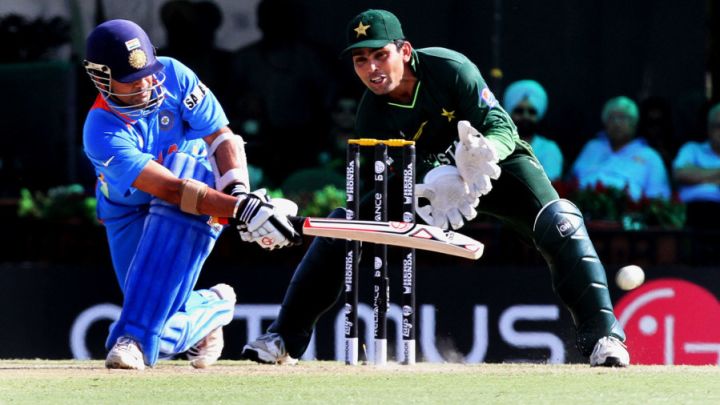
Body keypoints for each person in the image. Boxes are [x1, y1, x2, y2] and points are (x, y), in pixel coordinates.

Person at [241, 9, 629, 367]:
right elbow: (390, 178)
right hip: (431, 189)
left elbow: (502, 125)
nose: (372, 69)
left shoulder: (449, 68)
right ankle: (283, 338)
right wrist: (435, 182)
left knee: (560, 221)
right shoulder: (372, 116)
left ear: (405, 51)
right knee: (345, 227)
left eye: (380, 55)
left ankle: (604, 339)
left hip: (496, 170)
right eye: (361, 60)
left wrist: (485, 153)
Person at [82, 19, 299, 370]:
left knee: (184, 166)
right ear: (102, 78)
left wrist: (240, 195)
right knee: (155, 311)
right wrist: (240, 210)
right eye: (132, 80)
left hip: (195, 189)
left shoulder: (174, 74)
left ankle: (132, 339)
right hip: (128, 208)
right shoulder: (101, 131)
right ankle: (211, 308)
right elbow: (169, 189)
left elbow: (220, 137)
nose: (147, 84)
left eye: (148, 73)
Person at [570, 96, 671, 200]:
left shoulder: (650, 156)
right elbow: (571, 181)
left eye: (622, 118)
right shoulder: (592, 147)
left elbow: (658, 200)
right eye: (611, 118)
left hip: (625, 208)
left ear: (634, 123)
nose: (616, 123)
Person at [503, 79, 563, 181]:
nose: (525, 116)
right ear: (509, 114)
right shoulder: (499, 144)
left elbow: (550, 183)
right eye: (519, 111)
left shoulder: (549, 149)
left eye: (531, 112)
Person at [672, 102, 720, 229]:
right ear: (709, 128)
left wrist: (698, 174)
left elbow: (690, 175)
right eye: (718, 126)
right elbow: (681, 174)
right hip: (691, 213)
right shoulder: (691, 149)